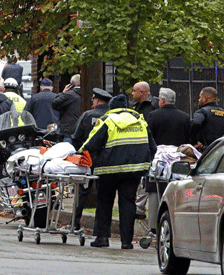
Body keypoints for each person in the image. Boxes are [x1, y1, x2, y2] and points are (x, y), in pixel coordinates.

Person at [80, 94, 156, 249]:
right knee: (128, 203)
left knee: (105, 202)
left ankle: (102, 238)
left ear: (111, 108)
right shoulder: (140, 121)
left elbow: (91, 143)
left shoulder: (107, 121)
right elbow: (152, 147)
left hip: (108, 170)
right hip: (133, 171)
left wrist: (79, 153)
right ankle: (126, 242)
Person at [145, 87, 190, 233]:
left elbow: (148, 139)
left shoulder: (153, 116)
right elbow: (188, 141)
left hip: (158, 162)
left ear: (162, 100)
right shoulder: (184, 117)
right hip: (177, 164)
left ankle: (153, 227)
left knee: (155, 194)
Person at [71, 88, 112, 230]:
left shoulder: (87, 115)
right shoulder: (111, 116)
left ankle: (75, 223)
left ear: (96, 101)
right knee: (104, 194)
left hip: (86, 160)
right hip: (106, 160)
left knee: (82, 191)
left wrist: (81, 153)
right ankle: (99, 228)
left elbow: (76, 138)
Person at [131, 81, 158, 219]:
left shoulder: (152, 106)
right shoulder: (136, 106)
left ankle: (139, 207)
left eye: (135, 91)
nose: (132, 93)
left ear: (142, 92)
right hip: (138, 147)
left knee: (145, 178)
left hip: (148, 148)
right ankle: (137, 206)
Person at [190, 86, 224, 151]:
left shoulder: (202, 112)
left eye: (200, 97)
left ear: (205, 98)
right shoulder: (222, 112)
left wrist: (194, 142)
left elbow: (196, 123)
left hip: (206, 151)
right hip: (221, 151)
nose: (199, 100)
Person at [52, 74, 81, 142]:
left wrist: (63, 93)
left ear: (74, 83)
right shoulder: (86, 94)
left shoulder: (69, 95)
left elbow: (55, 104)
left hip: (69, 132)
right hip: (81, 131)